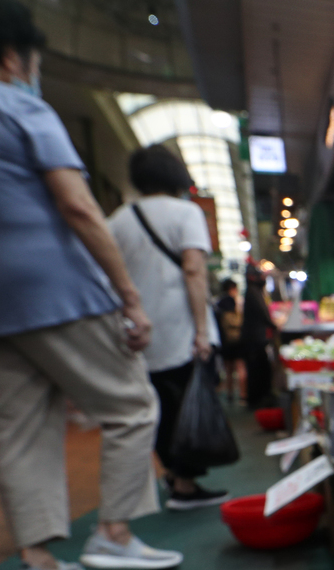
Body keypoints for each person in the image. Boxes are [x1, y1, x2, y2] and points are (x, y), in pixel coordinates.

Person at [0, 0, 182, 570]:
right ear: (14, 55)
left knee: (15, 426)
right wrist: (128, 296)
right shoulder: (14, 104)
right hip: (52, 284)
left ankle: (38, 562)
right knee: (131, 404)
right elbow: (78, 206)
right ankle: (113, 530)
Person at [107, 145, 230, 510]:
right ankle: (186, 485)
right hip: (181, 328)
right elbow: (193, 270)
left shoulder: (118, 220)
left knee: (156, 407)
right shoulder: (186, 213)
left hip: (138, 332)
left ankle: (174, 475)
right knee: (187, 404)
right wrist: (203, 331)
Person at [240, 267, 276, 409]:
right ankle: (257, 400)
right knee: (258, 369)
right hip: (254, 341)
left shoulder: (253, 291)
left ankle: (257, 399)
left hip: (254, 340)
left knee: (258, 368)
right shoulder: (253, 292)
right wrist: (273, 325)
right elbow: (263, 313)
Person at [214, 277, 245, 402]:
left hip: (224, 340)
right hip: (237, 339)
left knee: (228, 369)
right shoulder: (234, 302)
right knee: (240, 367)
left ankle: (230, 394)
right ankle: (243, 394)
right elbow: (238, 321)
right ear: (232, 288)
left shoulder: (218, 303)